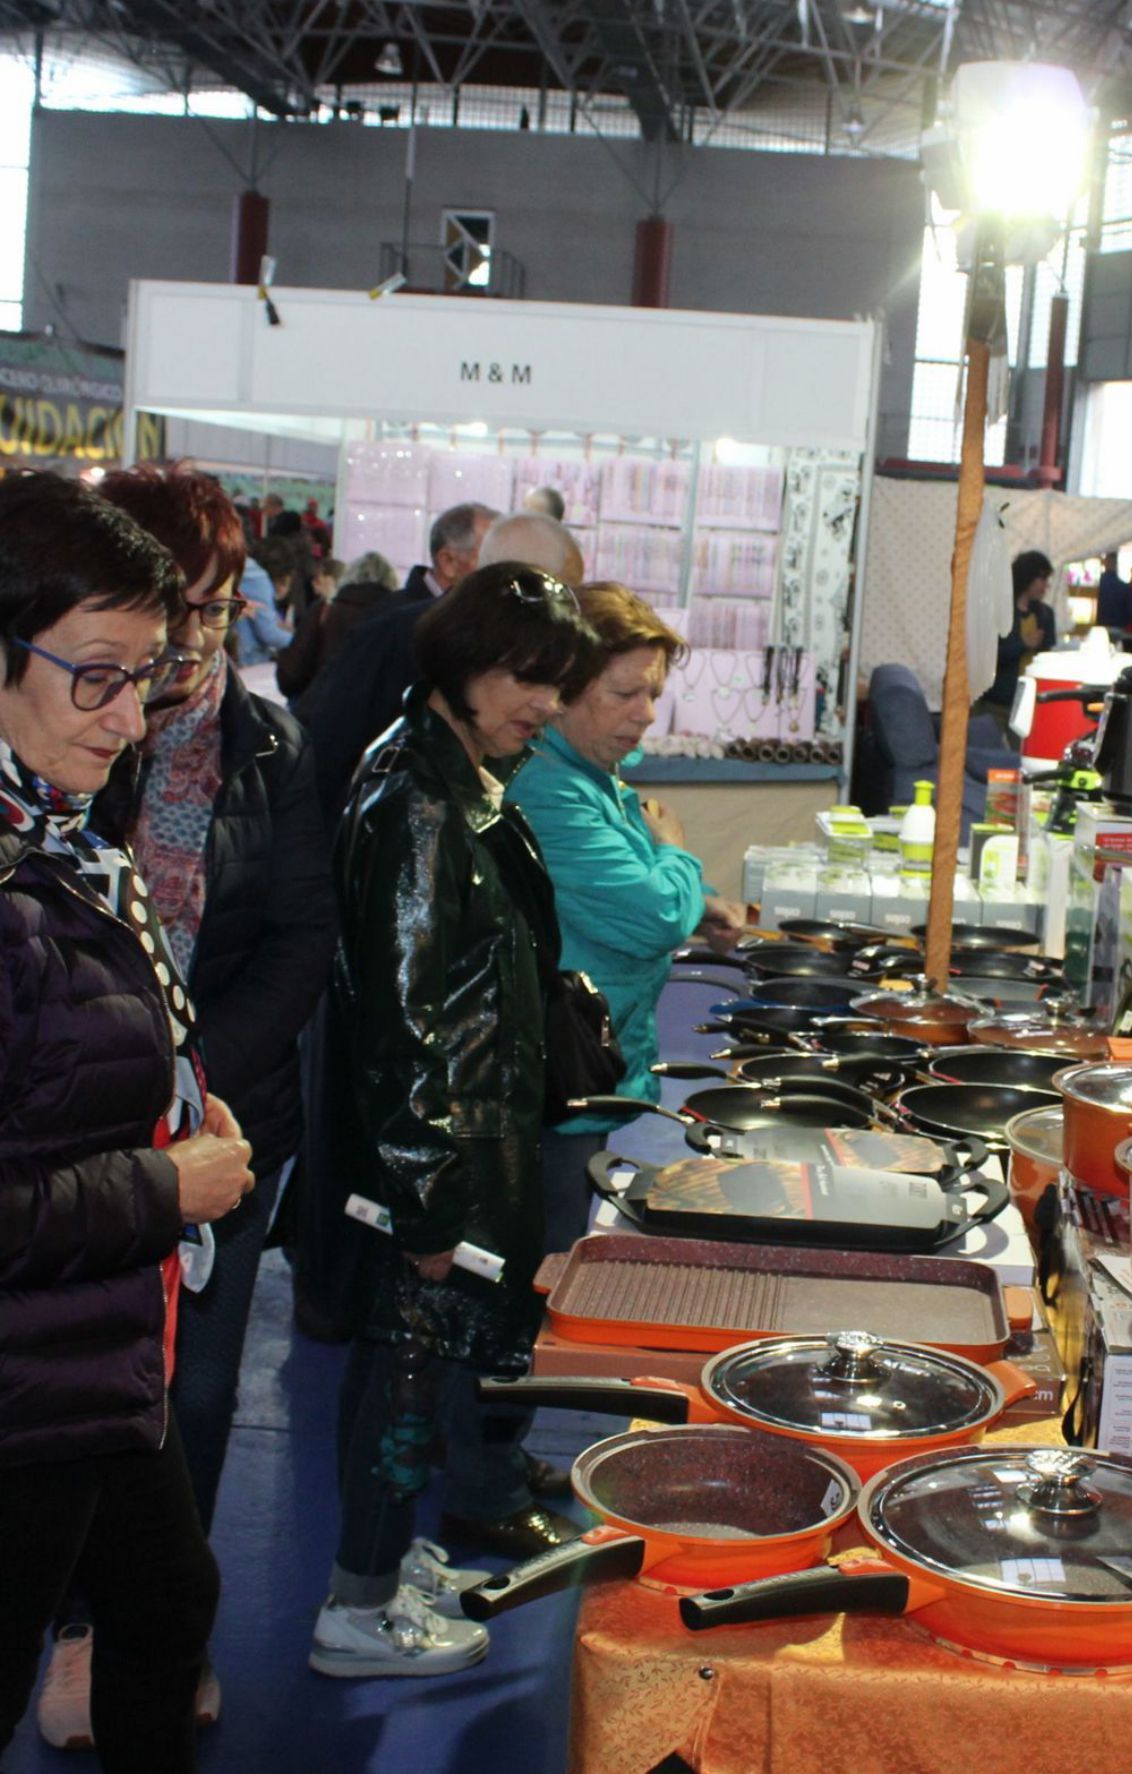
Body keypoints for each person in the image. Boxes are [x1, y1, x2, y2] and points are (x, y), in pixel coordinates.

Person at [46, 462, 336, 1742]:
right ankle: (82, 1644)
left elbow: (298, 934)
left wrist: (187, 1075)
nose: (192, 646)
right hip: (80, 1158)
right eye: (181, 608)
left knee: (196, 1405)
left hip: (212, 1124)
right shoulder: (60, 767)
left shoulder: (266, 743)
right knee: (85, 1420)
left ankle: (146, 1643)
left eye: (221, 612)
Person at [0, 472, 255, 1770]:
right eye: (93, 675)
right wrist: (171, 1188)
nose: (124, 714)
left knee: (169, 1598)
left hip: (83, 1353)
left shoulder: (57, 842)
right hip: (29, 1377)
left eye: (139, 674)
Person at [310, 562, 601, 1679]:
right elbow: (402, 1019)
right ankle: (356, 1607)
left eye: (551, 683)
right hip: (428, 1159)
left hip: (444, 1145)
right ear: (465, 664)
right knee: (404, 1379)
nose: (540, 701)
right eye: (524, 677)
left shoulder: (445, 772)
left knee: (404, 1373)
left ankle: (373, 1570)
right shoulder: (421, 801)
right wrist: (429, 1198)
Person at [506, 583, 745, 1252]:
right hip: (555, 1073)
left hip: (585, 1059)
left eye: (654, 696)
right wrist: (678, 858)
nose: (644, 715)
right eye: (624, 694)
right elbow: (655, 914)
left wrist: (699, 905)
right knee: (547, 1259)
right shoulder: (550, 789)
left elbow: (629, 893)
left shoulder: (592, 773)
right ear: (565, 689)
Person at [299, 502, 503, 823]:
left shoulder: (469, 634)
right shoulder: (397, 626)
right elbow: (336, 734)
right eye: (492, 561)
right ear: (448, 560)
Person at [276, 549, 399, 711]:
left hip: (321, 714)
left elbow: (290, 675)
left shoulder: (325, 611)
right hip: (375, 719)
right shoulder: (397, 617)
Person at [980, 550, 1057, 717]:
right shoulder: (999, 612)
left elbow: (1047, 656)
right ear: (1027, 576)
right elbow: (987, 658)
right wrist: (1023, 645)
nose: (1046, 586)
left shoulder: (1046, 615)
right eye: (1042, 579)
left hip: (1029, 703)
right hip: (996, 701)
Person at [233, 536, 297, 667]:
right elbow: (269, 634)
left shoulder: (245, 570)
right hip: (251, 660)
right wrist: (300, 641)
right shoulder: (259, 578)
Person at [1095, 550, 1132, 630]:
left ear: (1105, 563)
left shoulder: (1096, 586)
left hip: (1098, 628)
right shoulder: (1125, 588)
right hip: (1118, 627)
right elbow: (1131, 612)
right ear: (1116, 564)